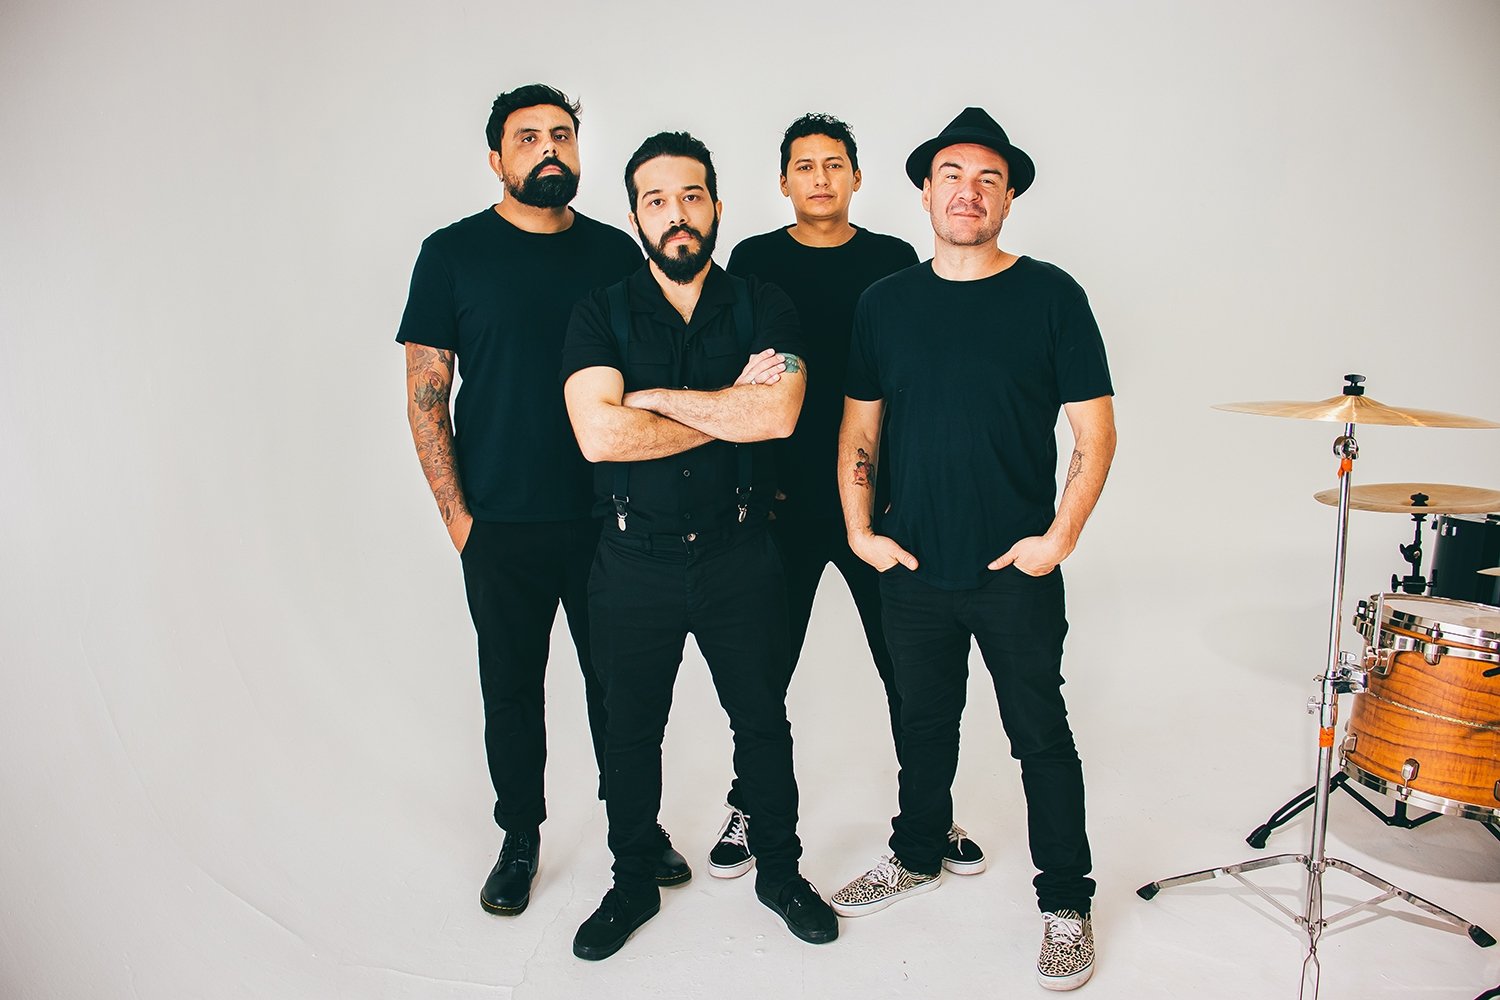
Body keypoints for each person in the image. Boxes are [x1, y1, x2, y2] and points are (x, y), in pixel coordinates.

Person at [830, 107, 1116, 992]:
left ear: (1009, 198)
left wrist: (1057, 539)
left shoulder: (1052, 296)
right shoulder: (884, 303)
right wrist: (860, 532)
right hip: (913, 568)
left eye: (988, 178)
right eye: (951, 175)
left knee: (1041, 737)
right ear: (925, 193)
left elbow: (1095, 432)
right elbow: (859, 429)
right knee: (922, 725)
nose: (968, 191)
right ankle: (917, 853)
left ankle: (1065, 903)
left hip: (1012, 572)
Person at [396, 83, 688, 920]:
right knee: (513, 690)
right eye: (528, 138)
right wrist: (460, 521)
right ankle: (520, 837)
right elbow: (426, 396)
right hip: (499, 523)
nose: (549, 148)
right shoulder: (451, 254)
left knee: (620, 689)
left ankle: (636, 829)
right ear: (497, 158)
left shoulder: (614, 254)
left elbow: (652, 376)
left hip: (609, 519)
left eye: (561, 134)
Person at [561, 130, 838, 960]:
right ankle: (631, 882)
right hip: (630, 562)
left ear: (716, 205)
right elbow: (598, 436)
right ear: (635, 216)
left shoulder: (762, 303)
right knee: (628, 732)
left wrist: (649, 397)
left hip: (740, 555)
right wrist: (722, 406)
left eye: (691, 196)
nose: (676, 214)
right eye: (656, 200)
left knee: (762, 724)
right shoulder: (599, 311)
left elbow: (778, 416)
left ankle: (780, 873)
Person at [718, 113, 986, 881]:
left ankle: (930, 814)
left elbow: (920, 376)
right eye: (805, 166)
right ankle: (749, 806)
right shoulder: (755, 260)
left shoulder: (892, 260)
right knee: (763, 670)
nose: (821, 178)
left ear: (858, 178)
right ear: (783, 182)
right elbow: (742, 379)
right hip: (781, 502)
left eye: (834, 164)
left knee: (910, 670)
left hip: (879, 501)